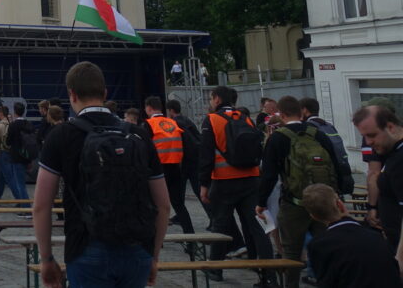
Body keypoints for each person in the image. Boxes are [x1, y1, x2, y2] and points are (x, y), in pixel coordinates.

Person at [34, 61, 169, 288]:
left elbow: (41, 205)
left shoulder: (62, 135)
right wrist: (153, 256)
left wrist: (46, 258)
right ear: (105, 93)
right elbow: (163, 204)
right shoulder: (138, 135)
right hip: (136, 247)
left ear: (72, 94)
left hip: (86, 246)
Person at [256, 96, 351, 288]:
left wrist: (261, 202)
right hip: (323, 201)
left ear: (281, 115)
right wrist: (337, 194)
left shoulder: (278, 138)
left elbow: (269, 175)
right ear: (301, 113)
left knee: (291, 253)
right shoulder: (318, 134)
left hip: (294, 203)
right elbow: (336, 164)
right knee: (326, 247)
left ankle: (291, 285)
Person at [200, 85, 274, 284]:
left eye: (210, 98)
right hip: (251, 178)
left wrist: (204, 185)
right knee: (256, 227)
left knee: (220, 226)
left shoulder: (212, 120)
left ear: (216, 99)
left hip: (224, 181)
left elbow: (206, 156)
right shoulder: (245, 118)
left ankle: (215, 269)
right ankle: (269, 274)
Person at [301, 183, 403, 287]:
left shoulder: (319, 245)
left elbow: (327, 282)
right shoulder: (376, 236)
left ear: (313, 216)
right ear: (340, 204)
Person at [353, 104, 403, 273]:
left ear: (390, 127)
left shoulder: (400, 159)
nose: (368, 142)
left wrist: (400, 257)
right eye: (364, 137)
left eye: (372, 135)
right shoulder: (392, 152)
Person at [144, 96, 194, 234]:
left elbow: (145, 149)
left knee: (154, 204)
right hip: (175, 168)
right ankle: (190, 236)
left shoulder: (148, 124)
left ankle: (157, 239)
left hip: (158, 171)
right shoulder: (173, 123)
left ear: (148, 108)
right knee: (178, 204)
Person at [299, 97, 354, 195]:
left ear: (304, 110)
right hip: (340, 173)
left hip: (323, 176)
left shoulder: (309, 127)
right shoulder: (328, 125)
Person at [4, 101, 34, 211]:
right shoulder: (29, 124)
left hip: (16, 157)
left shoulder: (13, 125)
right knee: (22, 183)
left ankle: (26, 209)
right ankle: (24, 207)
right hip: (27, 156)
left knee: (20, 184)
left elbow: (8, 141)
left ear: (15, 111)